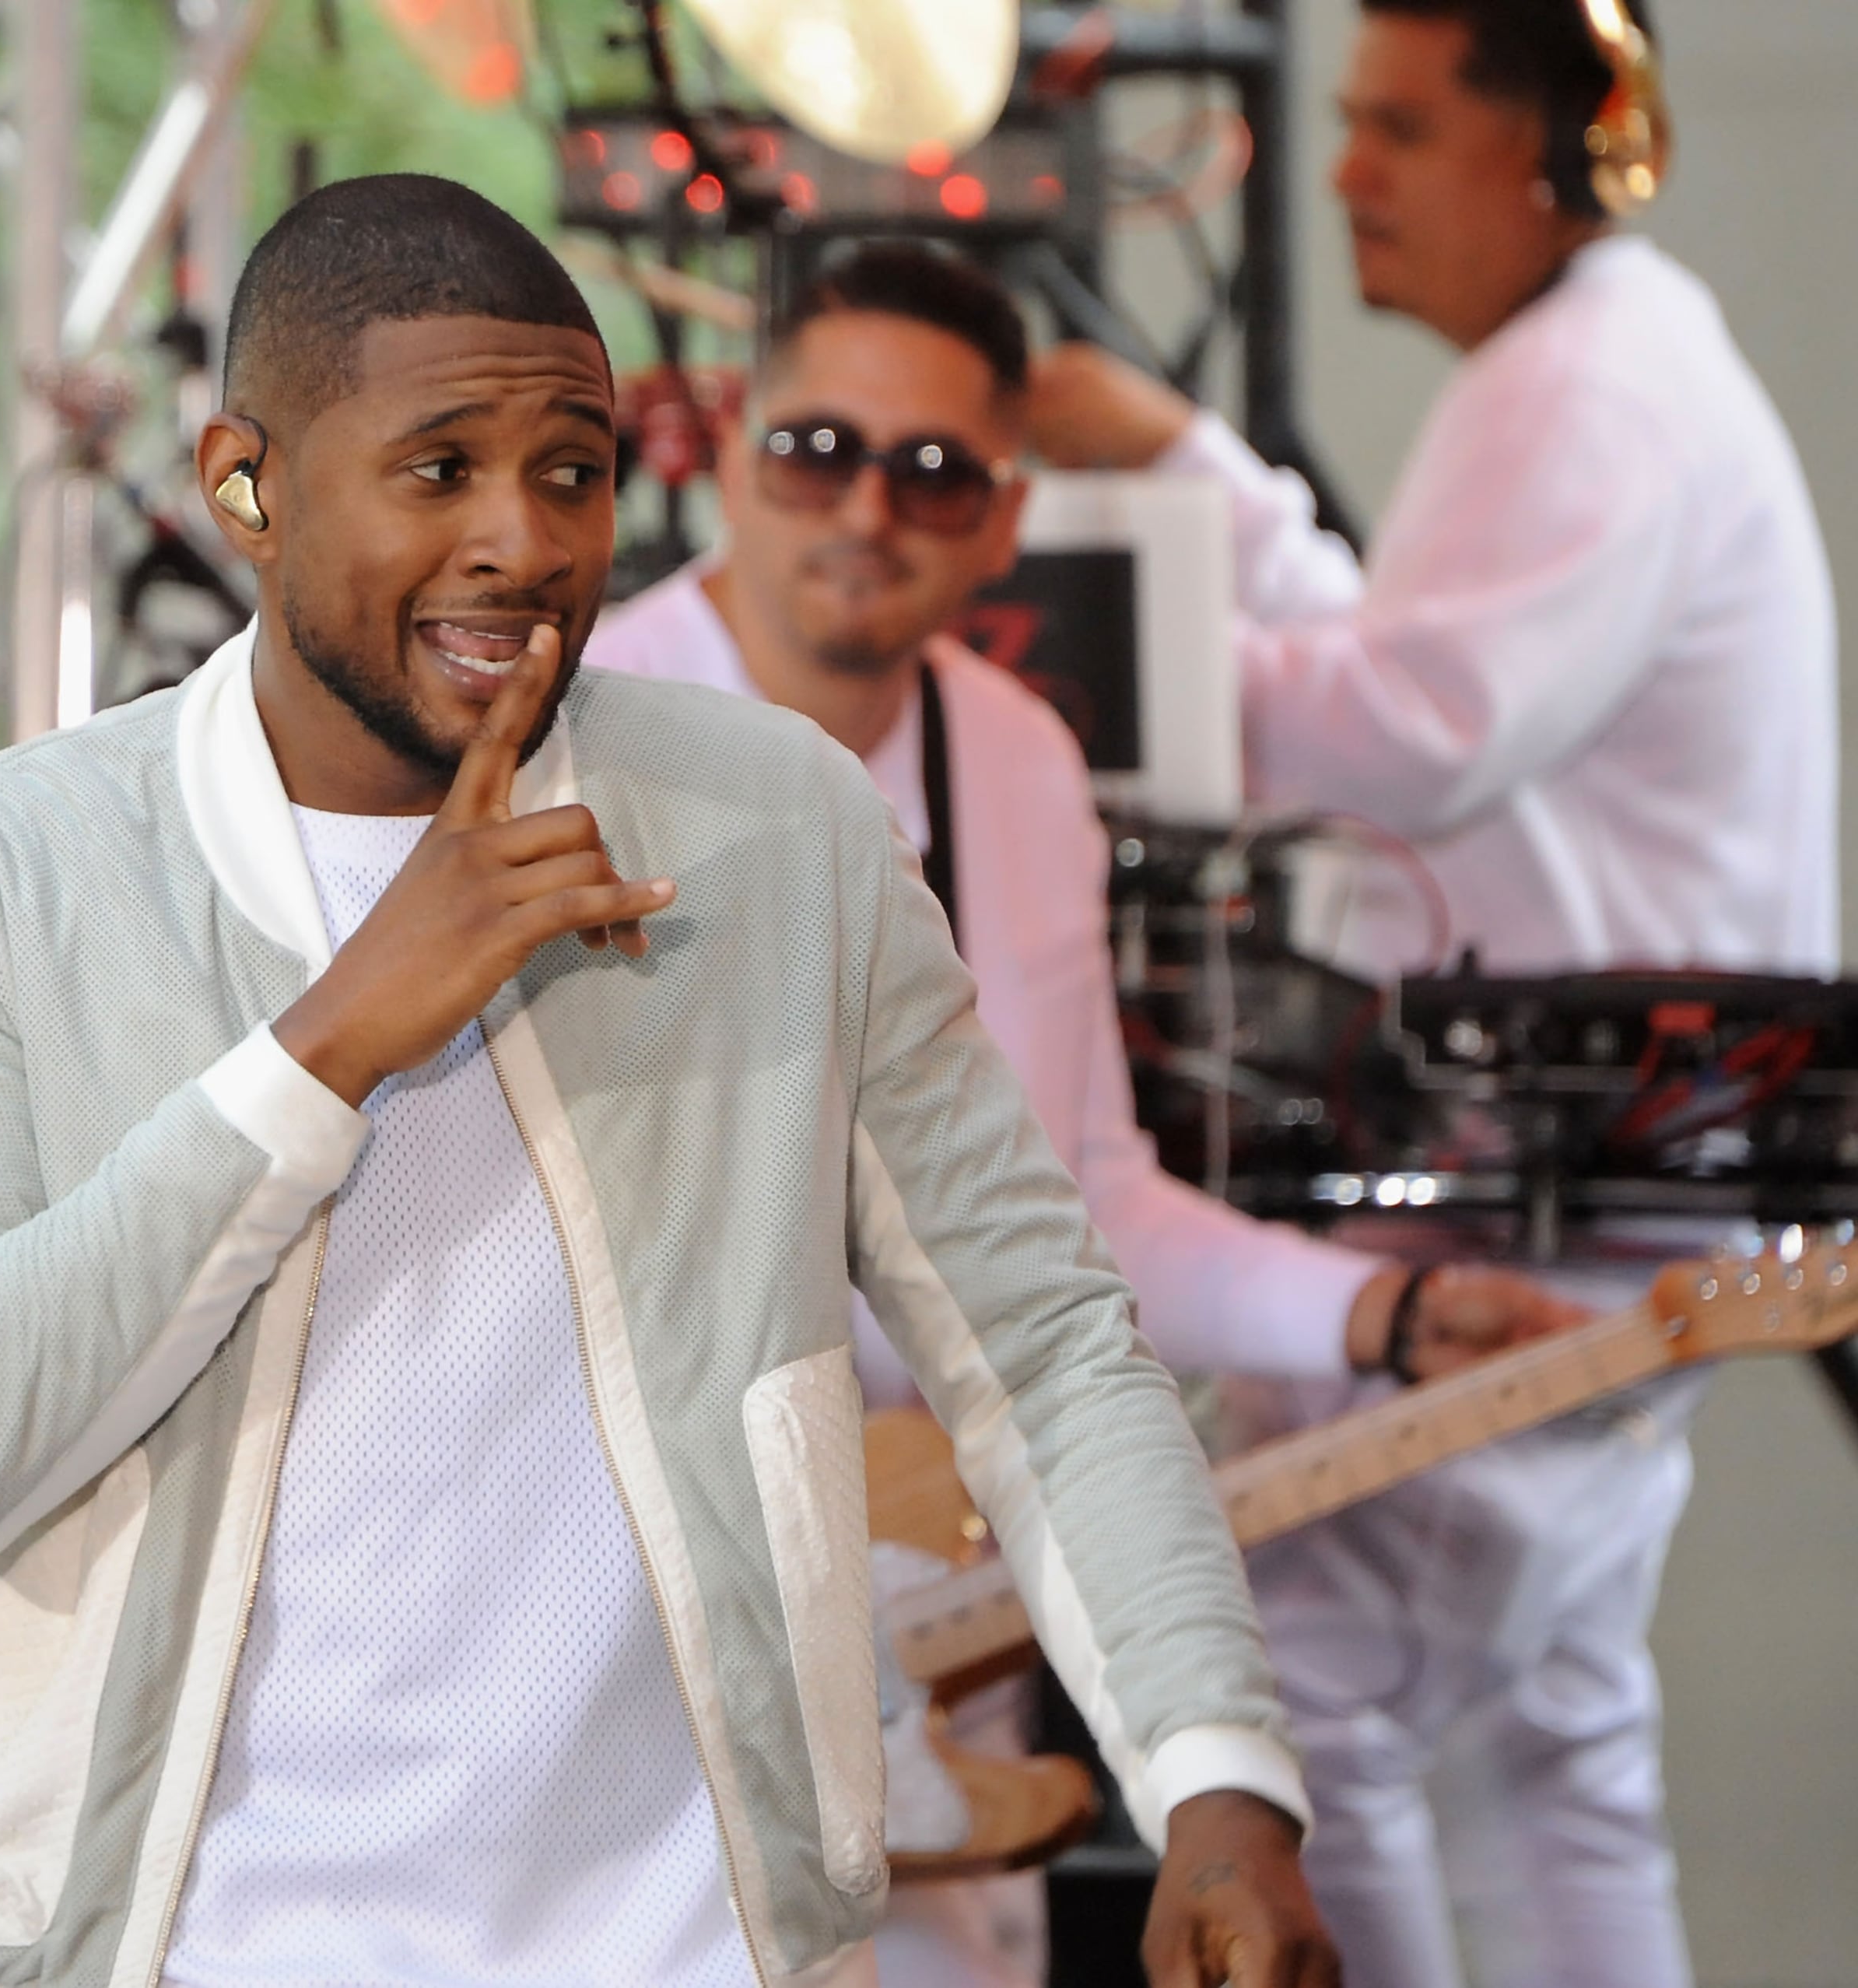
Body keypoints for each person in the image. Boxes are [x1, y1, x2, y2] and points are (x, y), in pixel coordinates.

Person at [0, 173, 1337, 1988]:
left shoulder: (779, 834)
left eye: (574, 472)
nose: (522, 541)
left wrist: (1218, 1778)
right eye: (440, 469)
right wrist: (327, 1047)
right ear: (246, 486)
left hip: (677, 1947)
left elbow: (1049, 1346)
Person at [582, 243, 1584, 1987]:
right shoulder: (575, 732)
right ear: (735, 447)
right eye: (822, 450)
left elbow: (1079, 1206)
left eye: (934, 472)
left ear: (999, 522)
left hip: (926, 1618)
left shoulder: (1015, 758)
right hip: (610, 1617)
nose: (868, 510)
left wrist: (1384, 1311)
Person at [1026, 4, 1836, 1984]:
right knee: (1560, 1731)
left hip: (1561, 1177)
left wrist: (1066, 647)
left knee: (1306, 1671)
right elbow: (1409, 655)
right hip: (1627, 1165)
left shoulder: (1591, 391)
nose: (1344, 175)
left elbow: (1413, 725)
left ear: (1547, 148)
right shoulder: (1598, 370)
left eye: (1397, 129)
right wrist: (1187, 462)